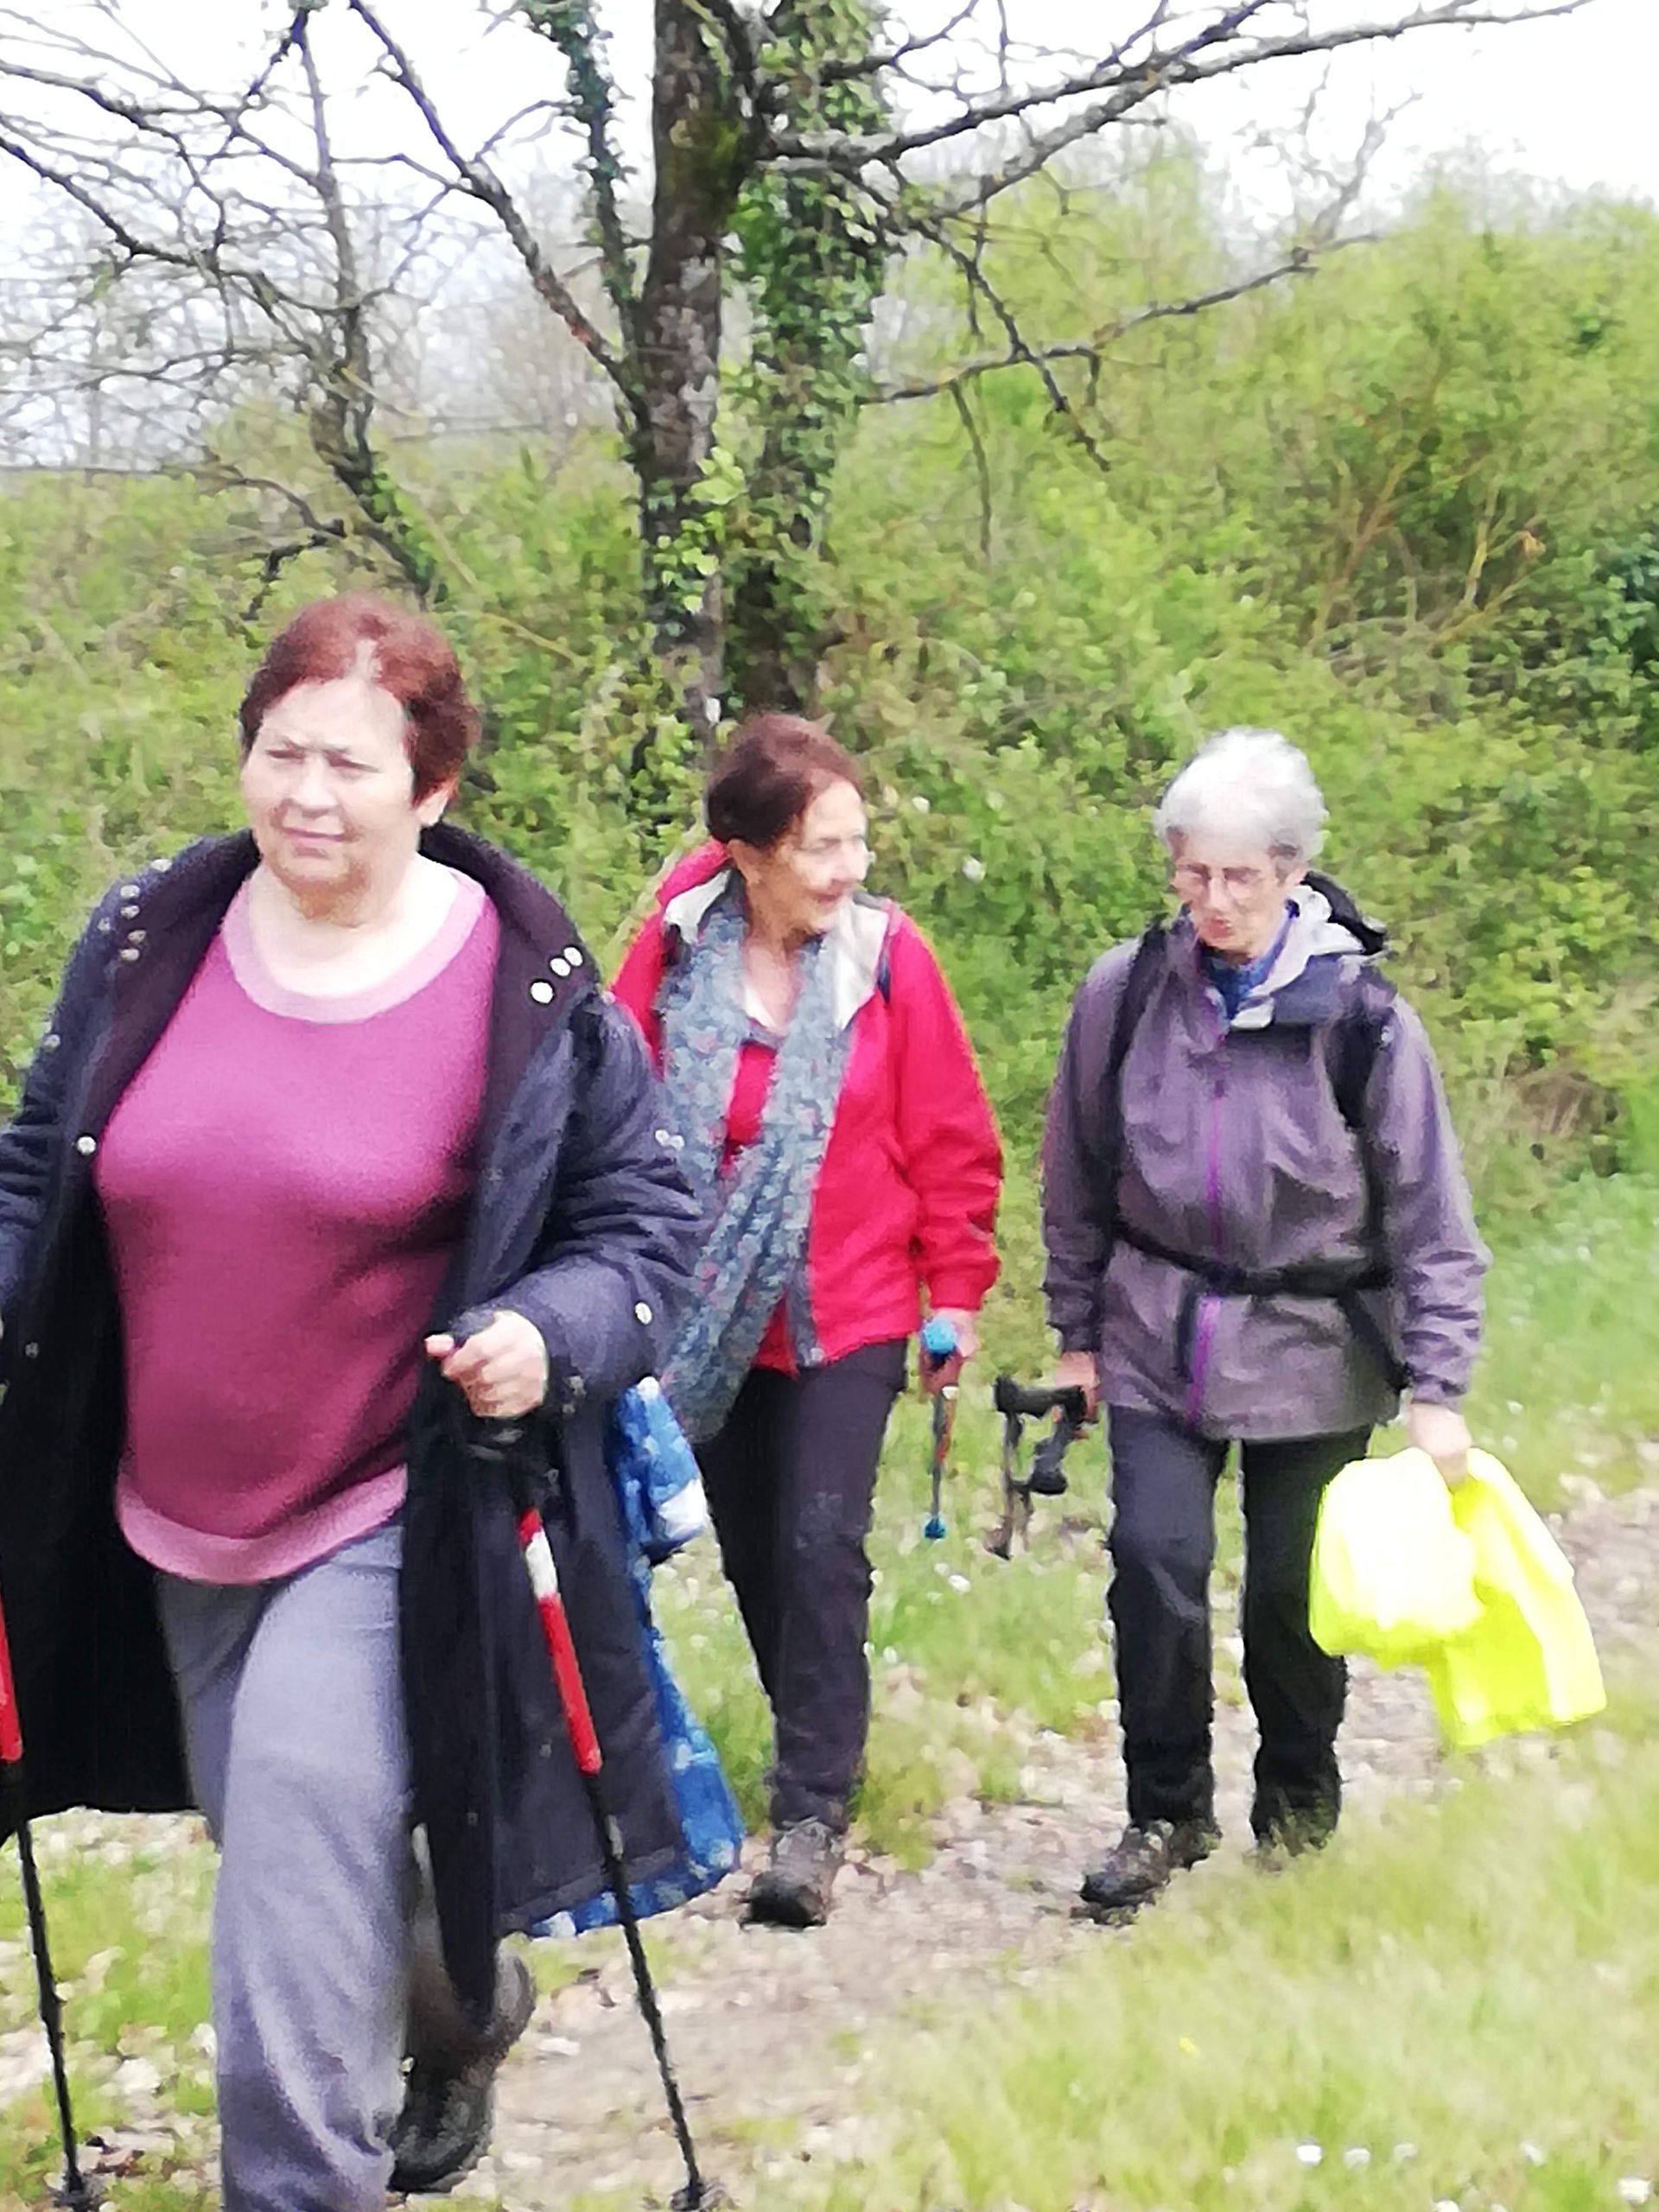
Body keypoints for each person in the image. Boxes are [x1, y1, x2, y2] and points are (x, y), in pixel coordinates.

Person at [0, 594, 703, 2209]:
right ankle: (467, 2008)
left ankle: (300, 2182)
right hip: (169, 1511)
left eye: (351, 765)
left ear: (433, 788)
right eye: (281, 753)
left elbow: (645, 1226)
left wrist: (545, 1331)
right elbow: (39, 1169)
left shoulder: (521, 984)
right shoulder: (149, 937)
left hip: (393, 1507)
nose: (306, 794)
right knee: (301, 1870)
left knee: (290, 1900)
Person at [1042, 727, 1487, 1915]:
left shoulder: (1366, 1023)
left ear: (1292, 871)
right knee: (1155, 1564)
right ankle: (1165, 1810)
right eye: (1193, 873)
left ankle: (1296, 1808)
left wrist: (1438, 1387)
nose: (1215, 901)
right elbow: (1076, 1177)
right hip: (1156, 1327)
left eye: (1241, 876)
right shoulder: (1126, 994)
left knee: (1292, 1596)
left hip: (1315, 1345)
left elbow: (1433, 1218)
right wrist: (1077, 1336)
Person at [613, 713, 1002, 1928]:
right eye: (822, 847)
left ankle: (812, 1813)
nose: (848, 870)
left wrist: (957, 1290)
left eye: (856, 843)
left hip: (853, 1302)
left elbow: (948, 1131)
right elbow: (608, 1108)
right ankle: (809, 1738)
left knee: (820, 1541)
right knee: (753, 1550)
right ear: (750, 852)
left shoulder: (887, 959)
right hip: (705, 1310)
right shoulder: (675, 949)